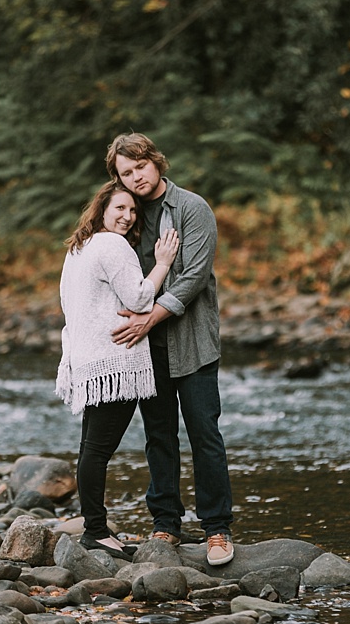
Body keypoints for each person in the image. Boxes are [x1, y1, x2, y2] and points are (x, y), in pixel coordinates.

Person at [103, 132, 236, 566]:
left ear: (156, 162)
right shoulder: (126, 215)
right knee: (159, 437)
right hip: (146, 351)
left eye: (140, 165)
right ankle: (166, 524)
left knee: (204, 435)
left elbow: (193, 278)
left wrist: (148, 319)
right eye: (126, 172)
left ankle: (217, 531)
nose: (136, 176)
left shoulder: (193, 209)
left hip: (193, 344)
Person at [56, 180, 180, 560]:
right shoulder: (112, 244)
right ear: (101, 210)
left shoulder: (79, 248)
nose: (127, 217)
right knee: (98, 450)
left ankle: (94, 525)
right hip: (115, 363)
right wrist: (162, 265)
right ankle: (95, 530)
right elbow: (141, 297)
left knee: (90, 448)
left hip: (87, 361)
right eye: (119, 209)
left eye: (132, 212)